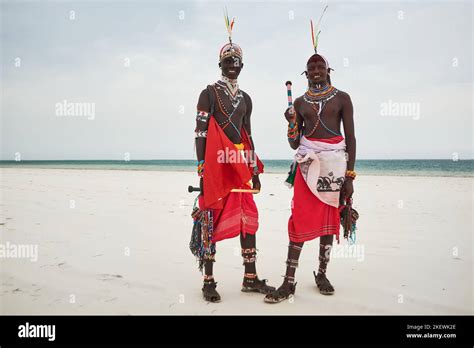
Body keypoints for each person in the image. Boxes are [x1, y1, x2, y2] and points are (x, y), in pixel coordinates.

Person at [264, 17, 356, 303]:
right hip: (306, 166)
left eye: (320, 66)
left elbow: (351, 139)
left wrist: (350, 178)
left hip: (335, 167)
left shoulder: (342, 98)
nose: (316, 70)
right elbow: (294, 141)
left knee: (329, 221)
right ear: (306, 73)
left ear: (328, 71)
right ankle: (289, 282)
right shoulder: (301, 103)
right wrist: (291, 122)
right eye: (311, 67)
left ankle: (322, 273)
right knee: (300, 219)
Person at [192, 13, 275, 302]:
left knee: (247, 219)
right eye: (228, 60)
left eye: (236, 60)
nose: (233, 65)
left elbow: (247, 135)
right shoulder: (208, 93)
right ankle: (208, 280)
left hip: (239, 165)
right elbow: (201, 133)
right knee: (211, 218)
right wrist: (202, 168)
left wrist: (253, 169)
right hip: (216, 165)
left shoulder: (247, 99)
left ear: (242, 65)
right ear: (220, 64)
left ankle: (250, 277)